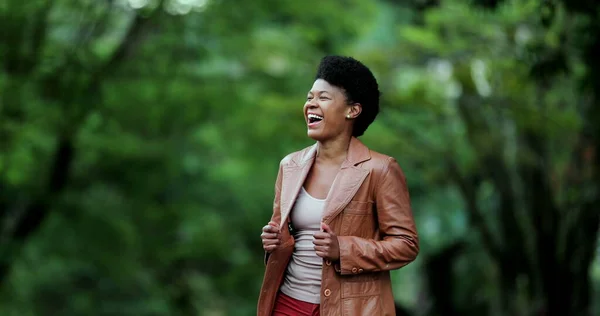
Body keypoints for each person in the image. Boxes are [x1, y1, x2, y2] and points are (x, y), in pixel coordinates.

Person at [257, 56, 419, 316]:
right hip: (287, 303)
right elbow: (284, 235)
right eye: (310, 97)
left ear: (352, 110)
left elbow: (406, 244)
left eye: (323, 97)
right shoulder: (290, 165)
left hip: (350, 307)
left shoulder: (380, 169)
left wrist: (342, 249)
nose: (311, 103)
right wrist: (275, 241)